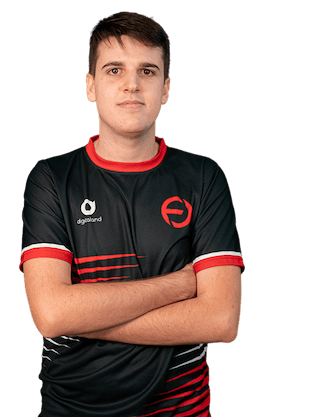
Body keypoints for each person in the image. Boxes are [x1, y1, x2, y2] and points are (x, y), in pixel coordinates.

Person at [20, 11, 244, 417]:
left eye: (147, 70)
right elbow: (52, 314)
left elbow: (221, 320)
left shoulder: (203, 176)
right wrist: (180, 285)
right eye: (114, 70)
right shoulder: (51, 178)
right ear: (90, 86)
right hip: (70, 409)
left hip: (181, 409)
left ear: (166, 89)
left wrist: (84, 317)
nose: (131, 84)